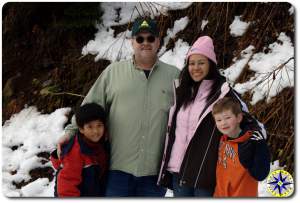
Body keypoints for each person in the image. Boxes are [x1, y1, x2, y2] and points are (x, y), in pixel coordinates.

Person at [57, 17, 180, 197]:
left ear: (158, 41)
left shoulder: (174, 76)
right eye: (140, 39)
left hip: (154, 174)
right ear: (132, 42)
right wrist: (70, 131)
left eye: (150, 38)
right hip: (118, 170)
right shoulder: (113, 72)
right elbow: (90, 106)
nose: (145, 43)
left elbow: (187, 115)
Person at [157, 35, 267, 197]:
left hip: (205, 175)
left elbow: (249, 122)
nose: (196, 68)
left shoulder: (222, 92)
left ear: (211, 64)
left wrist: (249, 141)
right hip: (178, 173)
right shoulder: (182, 91)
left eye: (201, 63)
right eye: (192, 63)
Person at [211, 97, 270, 197]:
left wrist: (260, 146)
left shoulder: (250, 143)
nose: (223, 123)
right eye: (219, 120)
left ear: (239, 117)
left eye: (227, 118)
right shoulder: (223, 140)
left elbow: (260, 174)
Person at [50, 103, 109, 197]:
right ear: (81, 129)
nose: (96, 131)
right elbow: (67, 185)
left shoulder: (100, 145)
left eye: (99, 125)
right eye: (90, 127)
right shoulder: (76, 152)